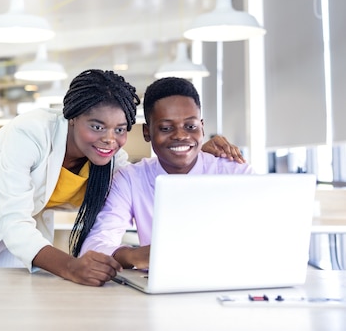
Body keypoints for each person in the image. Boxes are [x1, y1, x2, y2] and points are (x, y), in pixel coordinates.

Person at [0, 70, 244, 287]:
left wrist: (193, 150)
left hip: (26, 241)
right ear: (72, 118)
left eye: (120, 129)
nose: (109, 139)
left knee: (7, 316)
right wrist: (70, 267)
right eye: (97, 126)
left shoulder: (110, 161)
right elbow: (12, 221)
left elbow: (150, 169)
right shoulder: (30, 132)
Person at [79, 76, 253, 270]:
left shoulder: (235, 172)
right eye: (166, 128)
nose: (180, 135)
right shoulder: (131, 178)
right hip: (161, 288)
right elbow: (93, 246)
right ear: (147, 132)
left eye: (190, 126)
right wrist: (134, 255)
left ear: (202, 127)